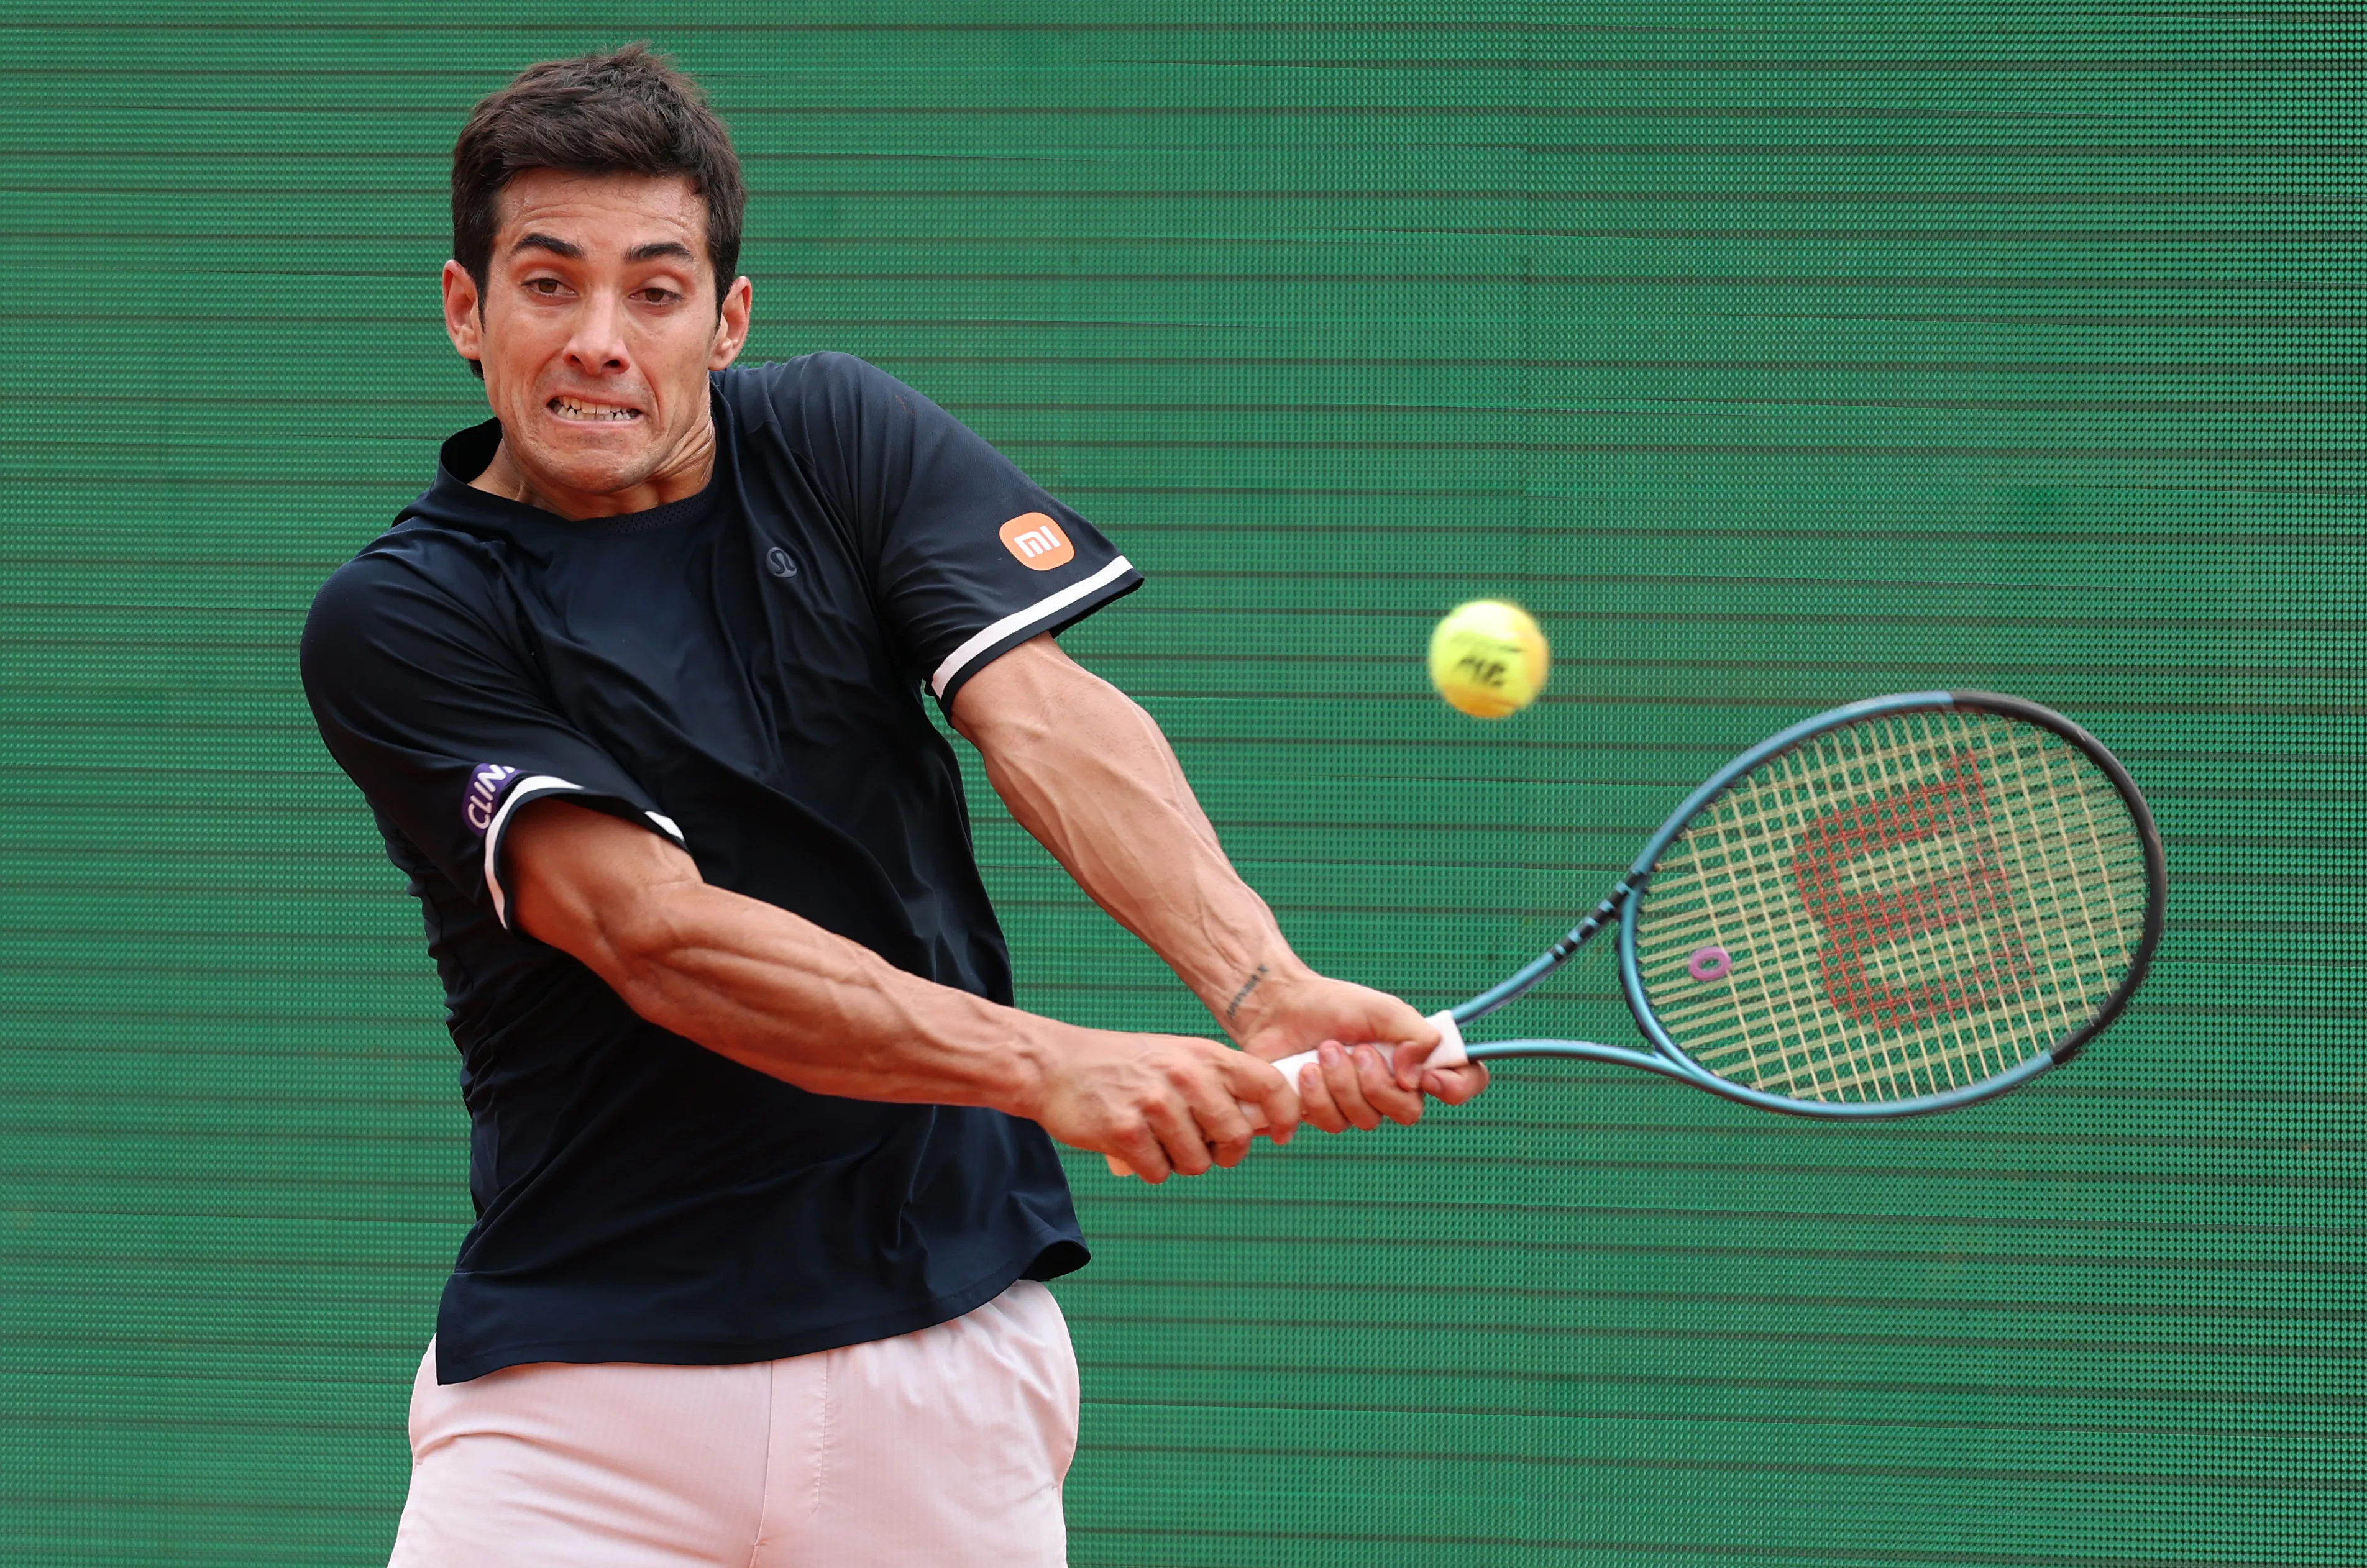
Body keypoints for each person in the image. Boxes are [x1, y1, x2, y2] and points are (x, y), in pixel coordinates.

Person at [300, 45, 1487, 1568]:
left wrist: (1257, 982)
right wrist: (1050, 1064)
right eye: (549, 284)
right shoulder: (402, 617)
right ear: (467, 310)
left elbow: (1041, 712)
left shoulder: (837, 438)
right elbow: (658, 937)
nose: (599, 340)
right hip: (579, 1404)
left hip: (942, 1374)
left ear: (727, 319)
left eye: (654, 291)